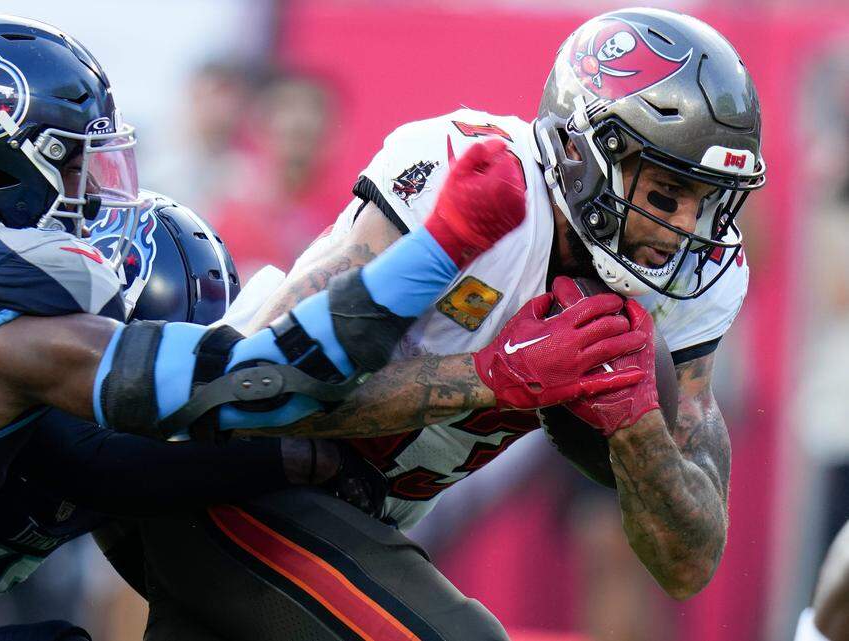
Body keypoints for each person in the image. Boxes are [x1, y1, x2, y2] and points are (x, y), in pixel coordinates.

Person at [0, 13, 639, 641]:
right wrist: (441, 247)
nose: (94, 199)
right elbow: (259, 375)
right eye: (76, 169)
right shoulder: (9, 334)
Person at [123, 8, 765, 640]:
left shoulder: (692, 277)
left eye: (709, 199)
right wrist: (493, 376)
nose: (686, 229)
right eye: (664, 193)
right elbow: (250, 387)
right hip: (228, 473)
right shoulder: (475, 173)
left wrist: (637, 428)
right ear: (580, 151)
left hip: (344, 513)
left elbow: (688, 565)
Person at [0, 194, 376, 641]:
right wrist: (294, 458)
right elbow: (101, 466)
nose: (165, 398)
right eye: (154, 367)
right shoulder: (7, 364)